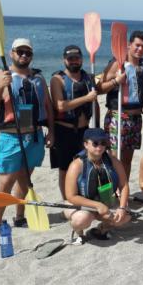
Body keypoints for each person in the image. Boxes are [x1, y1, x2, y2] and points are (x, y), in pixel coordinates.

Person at [0, 38, 54, 234]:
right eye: (20, 51)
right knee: (6, 180)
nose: (24, 55)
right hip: (11, 137)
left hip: (35, 135)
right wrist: (0, 86)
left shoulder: (38, 78)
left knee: (25, 178)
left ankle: (20, 216)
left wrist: (52, 132)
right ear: (12, 53)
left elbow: (48, 106)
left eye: (27, 52)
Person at [98, 30, 143, 178]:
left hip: (136, 119)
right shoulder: (117, 64)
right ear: (129, 45)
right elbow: (99, 89)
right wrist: (115, 81)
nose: (140, 49)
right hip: (118, 117)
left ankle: (124, 189)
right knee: (113, 159)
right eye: (137, 45)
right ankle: (112, 190)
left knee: (127, 161)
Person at [50, 45, 98, 199]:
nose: (74, 61)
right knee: (64, 169)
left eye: (76, 58)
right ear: (64, 60)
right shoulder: (57, 80)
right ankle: (67, 201)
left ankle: (82, 196)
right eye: (70, 58)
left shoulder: (88, 78)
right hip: (64, 131)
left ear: (81, 59)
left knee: (85, 165)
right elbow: (60, 106)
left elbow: (95, 103)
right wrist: (87, 98)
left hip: (85, 131)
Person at [64, 128, 130, 242]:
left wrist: (122, 208)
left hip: (106, 200)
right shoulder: (76, 165)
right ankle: (79, 232)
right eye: (95, 143)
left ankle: (101, 229)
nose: (99, 147)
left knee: (124, 217)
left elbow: (124, 185)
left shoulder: (113, 161)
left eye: (103, 143)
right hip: (81, 204)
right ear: (86, 144)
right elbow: (71, 196)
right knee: (81, 220)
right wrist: (97, 205)